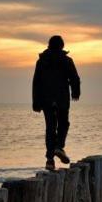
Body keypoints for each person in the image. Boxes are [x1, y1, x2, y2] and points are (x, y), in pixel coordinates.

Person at [32, 35, 81, 170]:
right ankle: (59, 147)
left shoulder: (41, 61)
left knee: (50, 127)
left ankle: (49, 160)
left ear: (49, 46)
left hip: (46, 99)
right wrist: (75, 93)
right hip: (61, 98)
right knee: (63, 123)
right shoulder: (66, 61)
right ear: (62, 46)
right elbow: (74, 78)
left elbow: (36, 82)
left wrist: (36, 102)